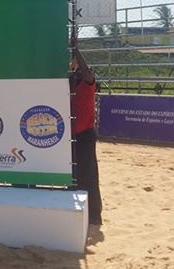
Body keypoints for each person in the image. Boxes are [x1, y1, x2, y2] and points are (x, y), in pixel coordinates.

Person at [70, 39, 103, 226]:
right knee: (76, 174)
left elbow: (87, 72)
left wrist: (76, 52)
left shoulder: (88, 85)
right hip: (72, 135)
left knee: (89, 174)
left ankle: (94, 214)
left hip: (85, 134)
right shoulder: (71, 88)